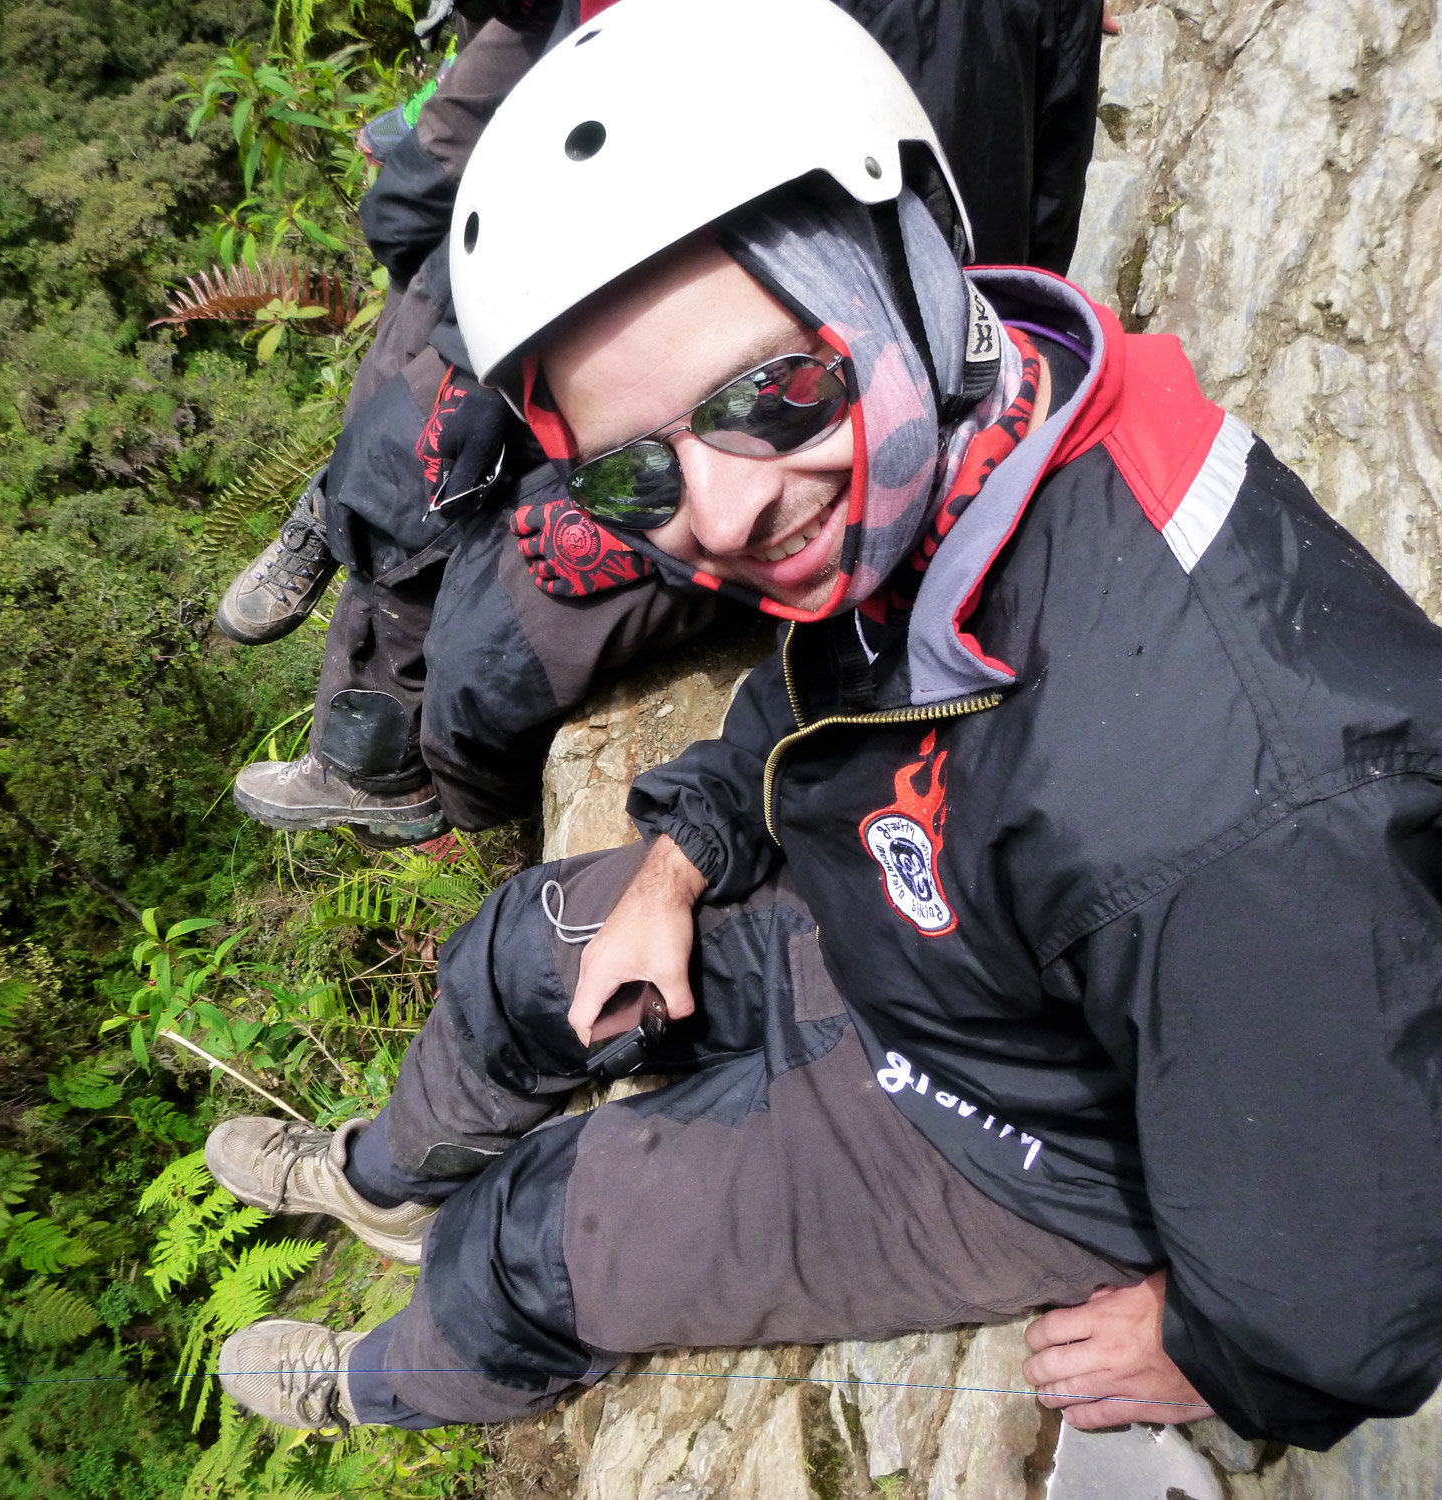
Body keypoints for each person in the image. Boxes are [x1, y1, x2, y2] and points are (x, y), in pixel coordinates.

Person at [199, 0, 1442, 1449]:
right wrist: (673, 870)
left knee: (551, 1237)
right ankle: (384, 1180)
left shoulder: (1239, 809)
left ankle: (387, 1382)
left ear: (903, 266)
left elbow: (1362, 1282)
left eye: (767, 395)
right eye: (627, 478)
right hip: (954, 942)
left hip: (1036, 1130)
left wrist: (1230, 1359)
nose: (719, 511)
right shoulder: (972, 444)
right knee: (528, 951)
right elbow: (831, 683)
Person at [218, 0, 1107, 845]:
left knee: (485, 646)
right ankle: (356, 660)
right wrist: (488, 365)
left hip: (817, 377)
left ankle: (424, 790)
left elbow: (936, 262)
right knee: (399, 454)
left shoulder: (937, 30)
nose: (722, 520)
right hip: (671, 305)